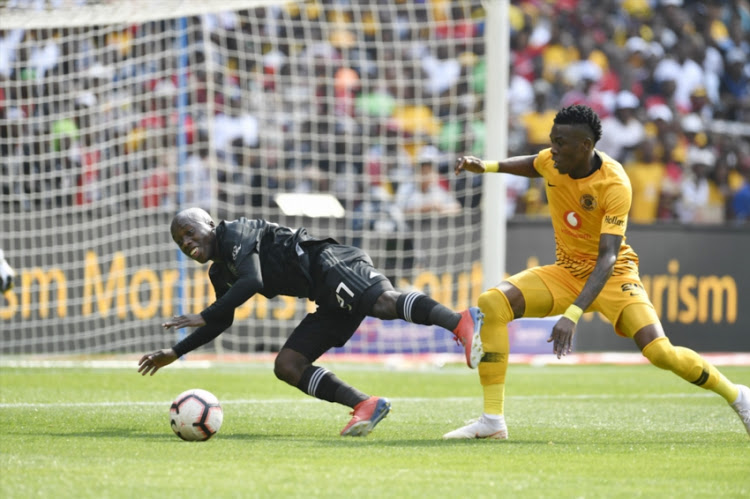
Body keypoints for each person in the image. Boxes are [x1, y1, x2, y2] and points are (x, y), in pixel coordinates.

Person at [445, 104, 750, 440]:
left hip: (615, 276)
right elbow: (534, 165)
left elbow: (607, 258)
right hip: (567, 273)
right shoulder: (552, 160)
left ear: (585, 147)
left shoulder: (614, 183)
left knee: (660, 352)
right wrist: (486, 166)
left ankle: (738, 396)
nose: (552, 149)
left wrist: (572, 314)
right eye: (552, 140)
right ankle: (492, 421)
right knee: (492, 303)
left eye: (560, 143)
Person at [138, 207, 484, 437]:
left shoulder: (234, 233)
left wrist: (205, 314)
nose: (186, 242)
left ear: (209, 225)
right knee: (288, 364)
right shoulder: (219, 271)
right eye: (180, 241)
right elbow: (221, 320)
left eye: (189, 232)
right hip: (322, 292)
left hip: (329, 262)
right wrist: (175, 351)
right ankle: (365, 404)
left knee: (382, 302)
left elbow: (252, 281)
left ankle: (459, 322)